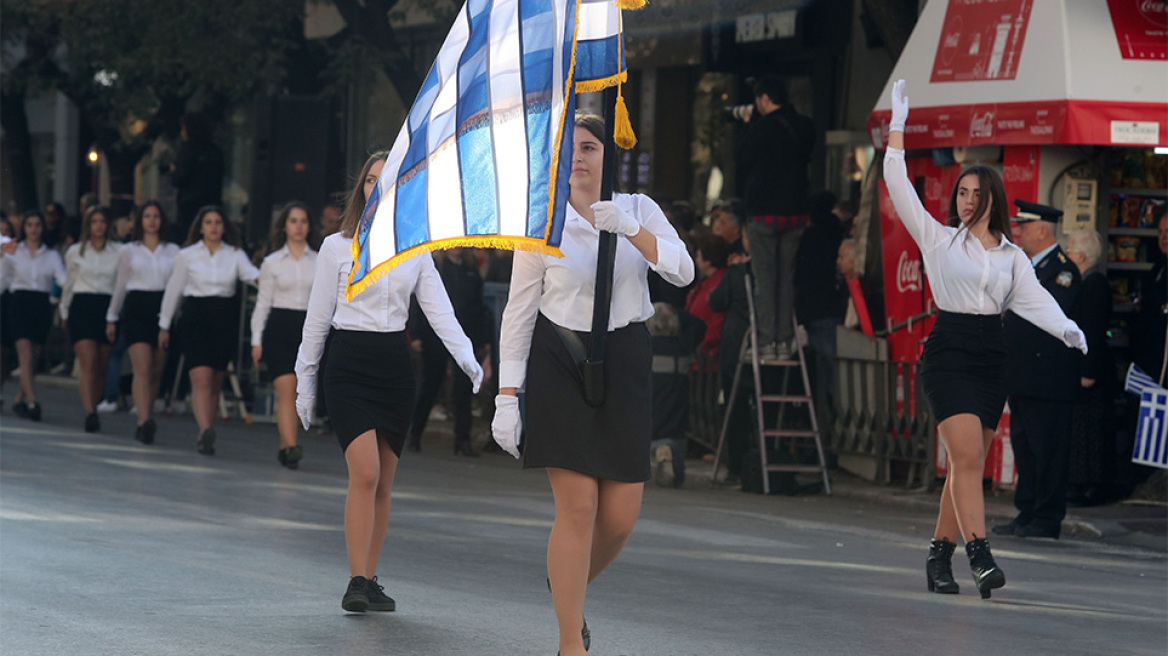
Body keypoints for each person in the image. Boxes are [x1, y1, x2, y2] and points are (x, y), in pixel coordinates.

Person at [492, 114, 694, 656]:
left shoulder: (638, 208)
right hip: (560, 357)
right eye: (569, 148)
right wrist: (506, 397)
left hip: (625, 354)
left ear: (609, 154)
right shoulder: (542, 220)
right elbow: (517, 313)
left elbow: (683, 271)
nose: (579, 157)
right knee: (577, 509)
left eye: (589, 146)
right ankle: (569, 642)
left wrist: (631, 230)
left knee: (621, 518)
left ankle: (566, 589)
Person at [884, 80, 1086, 599]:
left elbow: (1033, 301)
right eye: (962, 193)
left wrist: (1068, 329)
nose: (968, 200)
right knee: (969, 458)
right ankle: (979, 554)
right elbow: (897, 181)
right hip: (948, 353)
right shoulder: (937, 238)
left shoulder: (1012, 258)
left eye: (977, 194)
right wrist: (899, 128)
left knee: (965, 464)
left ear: (992, 198)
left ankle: (936, 558)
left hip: (991, 357)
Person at [295, 151, 482, 613]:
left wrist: (467, 357)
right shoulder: (337, 247)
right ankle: (355, 580)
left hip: (395, 368)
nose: (377, 188)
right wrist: (305, 380)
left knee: (384, 484)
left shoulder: (414, 248)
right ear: (361, 188)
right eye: (370, 181)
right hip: (349, 364)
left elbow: (439, 310)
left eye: (387, 180)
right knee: (365, 473)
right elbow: (317, 321)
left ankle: (370, 578)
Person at [992, 200, 1084, 540]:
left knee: (1048, 451)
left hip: (1048, 379)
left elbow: (1047, 320)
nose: (1019, 232)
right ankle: (1027, 511)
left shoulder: (1062, 271)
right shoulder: (1028, 268)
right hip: (1022, 375)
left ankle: (1046, 517)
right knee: (1027, 449)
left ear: (1043, 230)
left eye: (1024, 227)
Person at [159, 205, 260, 455]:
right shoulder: (187, 255)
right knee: (200, 377)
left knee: (215, 379)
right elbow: (174, 290)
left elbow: (252, 276)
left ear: (224, 226)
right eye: (208, 222)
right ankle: (204, 430)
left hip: (224, 317)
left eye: (217, 222)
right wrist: (164, 324)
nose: (213, 227)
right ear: (201, 227)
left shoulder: (235, 254)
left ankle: (209, 427)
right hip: (196, 316)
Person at [737, 74, 816, 359]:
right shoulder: (805, 126)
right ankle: (786, 338)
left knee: (766, 279)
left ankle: (768, 342)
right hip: (796, 214)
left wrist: (747, 127)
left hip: (763, 213)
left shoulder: (760, 128)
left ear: (764, 99)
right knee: (786, 276)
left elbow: (741, 159)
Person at [105, 201, 181, 444]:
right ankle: (144, 420)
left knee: (157, 368)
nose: (151, 221)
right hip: (137, 305)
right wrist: (112, 316)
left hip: (163, 305)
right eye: (147, 216)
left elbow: (178, 284)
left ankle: (147, 409)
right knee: (143, 366)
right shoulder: (129, 250)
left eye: (156, 216)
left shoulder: (174, 251)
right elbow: (120, 285)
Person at [250, 201, 318, 469]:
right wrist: (256, 340)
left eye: (303, 221)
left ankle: (285, 443)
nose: (298, 226)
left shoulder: (319, 260)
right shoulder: (272, 262)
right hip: (279, 325)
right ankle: (291, 446)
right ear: (284, 226)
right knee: (287, 389)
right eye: (293, 221)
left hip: (308, 327)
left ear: (309, 226)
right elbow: (262, 303)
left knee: (302, 390)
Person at [407, 247, 486, 456]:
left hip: (464, 335)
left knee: (464, 389)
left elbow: (478, 306)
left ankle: (463, 440)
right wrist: (415, 334)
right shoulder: (435, 266)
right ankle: (415, 433)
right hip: (434, 336)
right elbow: (419, 300)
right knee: (431, 385)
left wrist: (479, 339)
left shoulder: (470, 269)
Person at [1063, 229, 1116, 506]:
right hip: (1082, 368)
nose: (1067, 254)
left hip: (1090, 372)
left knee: (1089, 428)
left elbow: (1094, 331)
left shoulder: (1094, 284)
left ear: (1081, 256)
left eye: (1070, 250)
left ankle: (1089, 485)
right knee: (1081, 426)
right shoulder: (1085, 282)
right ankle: (1080, 482)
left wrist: (1088, 371)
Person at [60, 206, 122, 432]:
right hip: (82, 305)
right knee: (88, 361)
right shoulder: (76, 251)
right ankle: (90, 412)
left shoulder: (118, 251)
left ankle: (94, 402)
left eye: (102, 221)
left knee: (102, 364)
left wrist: (114, 315)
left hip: (106, 305)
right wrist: (64, 310)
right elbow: (69, 282)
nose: (98, 226)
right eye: (94, 221)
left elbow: (120, 283)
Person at [6, 210, 67, 421]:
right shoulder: (14, 251)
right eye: (29, 225)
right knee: (24, 351)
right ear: (24, 228)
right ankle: (33, 401)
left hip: (41, 304)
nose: (33, 229)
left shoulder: (51, 255)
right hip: (20, 302)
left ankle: (18, 399)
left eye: (37, 225)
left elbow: (62, 278)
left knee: (34, 356)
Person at [708, 231, 753, 484]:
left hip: (737, 347)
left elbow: (716, 301)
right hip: (770, 347)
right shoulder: (777, 273)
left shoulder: (737, 273)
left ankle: (737, 466)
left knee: (736, 409)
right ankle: (762, 460)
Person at [795, 190, 846, 410]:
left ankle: (828, 414)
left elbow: (800, 272)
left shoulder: (809, 238)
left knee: (823, 368)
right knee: (833, 368)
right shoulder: (838, 232)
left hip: (814, 308)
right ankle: (836, 415)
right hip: (833, 305)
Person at [648, 302, 704, 488]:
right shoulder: (683, 346)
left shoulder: (645, 346)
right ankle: (674, 472)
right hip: (674, 406)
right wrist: (677, 314)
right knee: (673, 439)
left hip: (649, 408)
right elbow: (698, 325)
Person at [170, 113, 225, 231]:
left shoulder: (187, 151)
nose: (181, 133)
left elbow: (180, 178)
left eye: (183, 129)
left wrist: (174, 170)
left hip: (189, 206)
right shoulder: (215, 151)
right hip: (213, 203)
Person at [685, 234, 729, 357]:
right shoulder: (705, 283)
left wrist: (702, 344)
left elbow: (717, 322)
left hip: (707, 355)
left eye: (698, 256)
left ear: (708, 261)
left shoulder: (718, 286)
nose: (696, 260)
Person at [836, 239, 873, 336]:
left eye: (841, 257)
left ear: (853, 260)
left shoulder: (863, 288)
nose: (838, 261)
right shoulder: (846, 286)